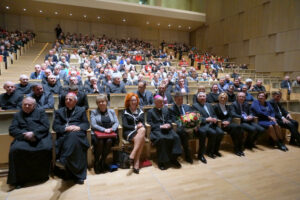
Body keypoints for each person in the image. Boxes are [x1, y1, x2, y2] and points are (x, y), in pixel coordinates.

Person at [7, 97, 52, 188]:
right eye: (25, 104)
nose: (27, 106)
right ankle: (19, 180)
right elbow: (12, 129)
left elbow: (46, 126)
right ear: (22, 105)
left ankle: (41, 176)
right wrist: (25, 135)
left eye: (29, 105)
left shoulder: (41, 112)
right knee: (16, 150)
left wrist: (34, 134)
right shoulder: (17, 115)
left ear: (34, 106)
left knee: (46, 148)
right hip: (23, 137)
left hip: (39, 136)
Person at [53, 93, 90, 184]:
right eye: (66, 99)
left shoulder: (81, 110)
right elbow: (55, 126)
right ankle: (76, 175)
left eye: (70, 99)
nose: (67, 101)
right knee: (71, 138)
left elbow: (86, 124)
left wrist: (79, 127)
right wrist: (65, 128)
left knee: (73, 135)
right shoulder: (59, 111)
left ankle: (63, 160)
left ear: (76, 101)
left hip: (78, 135)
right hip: (64, 135)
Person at [147, 95, 182, 170]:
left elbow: (169, 120)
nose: (162, 103)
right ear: (155, 102)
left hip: (167, 129)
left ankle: (174, 159)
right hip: (157, 130)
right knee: (162, 139)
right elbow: (150, 123)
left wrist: (168, 124)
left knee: (176, 137)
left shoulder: (166, 110)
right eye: (160, 102)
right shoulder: (150, 112)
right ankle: (161, 161)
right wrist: (160, 126)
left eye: (162, 102)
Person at [90, 94, 119, 174]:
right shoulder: (94, 112)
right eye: (99, 102)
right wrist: (104, 130)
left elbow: (116, 122)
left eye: (103, 101)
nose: (101, 103)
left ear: (106, 102)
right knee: (100, 142)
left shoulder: (112, 111)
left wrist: (111, 129)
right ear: (97, 103)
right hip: (97, 134)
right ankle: (96, 162)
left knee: (109, 141)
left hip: (110, 134)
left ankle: (102, 161)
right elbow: (93, 125)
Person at [192, 92, 224, 161]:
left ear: (206, 98)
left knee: (221, 132)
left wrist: (215, 118)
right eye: (200, 96)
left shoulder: (208, 105)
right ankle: (200, 155)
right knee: (212, 133)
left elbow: (214, 114)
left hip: (212, 124)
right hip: (202, 126)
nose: (202, 98)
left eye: (204, 96)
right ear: (198, 98)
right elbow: (196, 118)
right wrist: (206, 119)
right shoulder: (195, 106)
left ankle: (214, 151)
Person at [122, 93, 146, 174]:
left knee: (142, 130)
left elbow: (143, 123)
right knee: (141, 138)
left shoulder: (140, 111)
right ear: (128, 101)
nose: (133, 102)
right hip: (129, 131)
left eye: (135, 100)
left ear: (137, 101)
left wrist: (140, 125)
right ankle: (136, 162)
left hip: (139, 132)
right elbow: (125, 125)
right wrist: (136, 127)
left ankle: (133, 157)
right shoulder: (125, 111)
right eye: (131, 100)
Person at [169, 92, 194, 164]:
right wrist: (184, 120)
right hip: (179, 127)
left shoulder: (187, 107)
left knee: (197, 128)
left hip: (189, 126)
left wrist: (191, 120)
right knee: (183, 133)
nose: (181, 101)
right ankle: (187, 155)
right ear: (175, 100)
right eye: (179, 99)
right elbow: (174, 120)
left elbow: (193, 115)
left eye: (182, 99)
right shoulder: (172, 109)